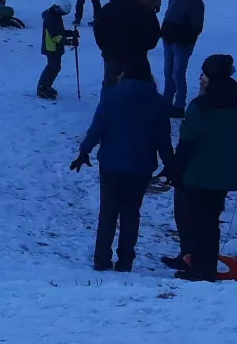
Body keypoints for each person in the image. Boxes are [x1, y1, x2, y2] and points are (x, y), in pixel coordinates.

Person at [71, 57, 175, 272]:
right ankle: (125, 260)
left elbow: (97, 127)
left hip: (110, 163)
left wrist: (84, 151)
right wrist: (169, 164)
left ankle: (101, 259)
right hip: (141, 166)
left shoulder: (111, 97)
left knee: (107, 212)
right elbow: (163, 138)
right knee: (131, 213)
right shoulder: (157, 102)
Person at [167, 54, 237, 281]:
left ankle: (201, 270)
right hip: (224, 175)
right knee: (208, 220)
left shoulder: (200, 107)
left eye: (203, 74)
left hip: (196, 176)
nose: (200, 78)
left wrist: (176, 172)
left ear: (209, 78)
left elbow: (186, 144)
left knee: (195, 222)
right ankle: (192, 259)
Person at [94, 0, 161, 91]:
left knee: (110, 87)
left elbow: (98, 30)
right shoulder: (146, 12)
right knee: (137, 89)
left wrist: (105, 48)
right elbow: (154, 34)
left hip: (112, 56)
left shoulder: (108, 9)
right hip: (137, 58)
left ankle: (107, 107)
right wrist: (143, 48)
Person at [160, 0, 205, 111]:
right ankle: (166, 100)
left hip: (182, 45)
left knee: (177, 74)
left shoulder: (196, 3)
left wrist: (180, 37)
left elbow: (196, 27)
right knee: (168, 72)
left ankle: (179, 105)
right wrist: (163, 31)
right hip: (168, 41)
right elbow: (168, 16)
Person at [38, 1, 78, 100]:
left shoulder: (54, 16)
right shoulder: (52, 19)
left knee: (55, 67)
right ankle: (42, 88)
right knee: (52, 67)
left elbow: (59, 31)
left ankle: (46, 86)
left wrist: (70, 33)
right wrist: (69, 42)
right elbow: (56, 36)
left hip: (54, 47)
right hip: (51, 47)